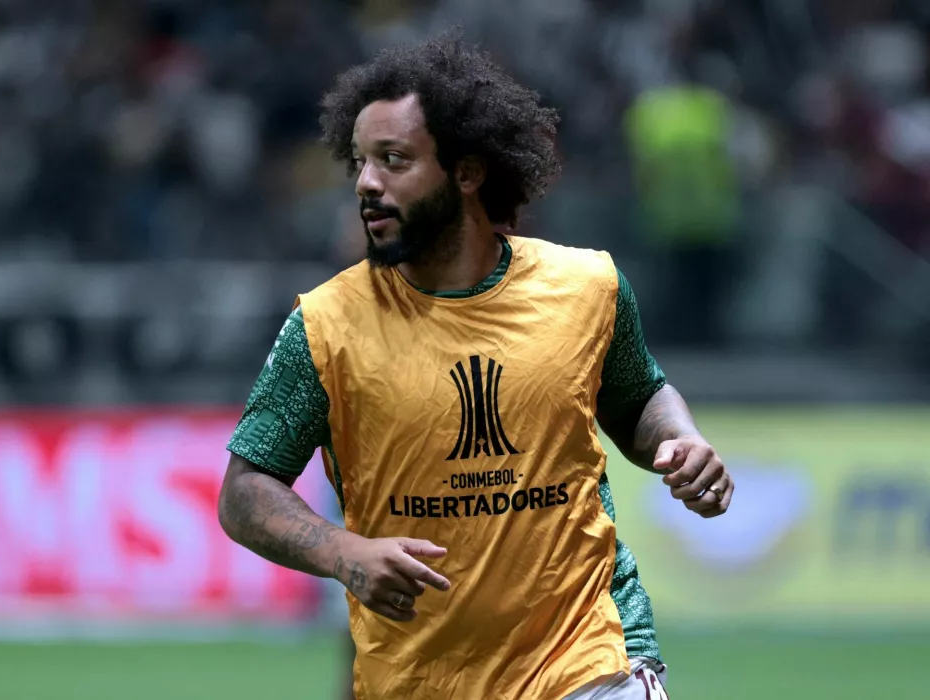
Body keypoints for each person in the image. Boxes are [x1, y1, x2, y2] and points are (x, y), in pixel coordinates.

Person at [218, 33, 734, 700]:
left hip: (592, 662)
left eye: (394, 160)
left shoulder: (587, 288)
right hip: (418, 680)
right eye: (360, 162)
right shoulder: (323, 327)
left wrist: (680, 440)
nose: (367, 182)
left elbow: (640, 399)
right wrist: (342, 552)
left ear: (466, 173)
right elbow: (245, 490)